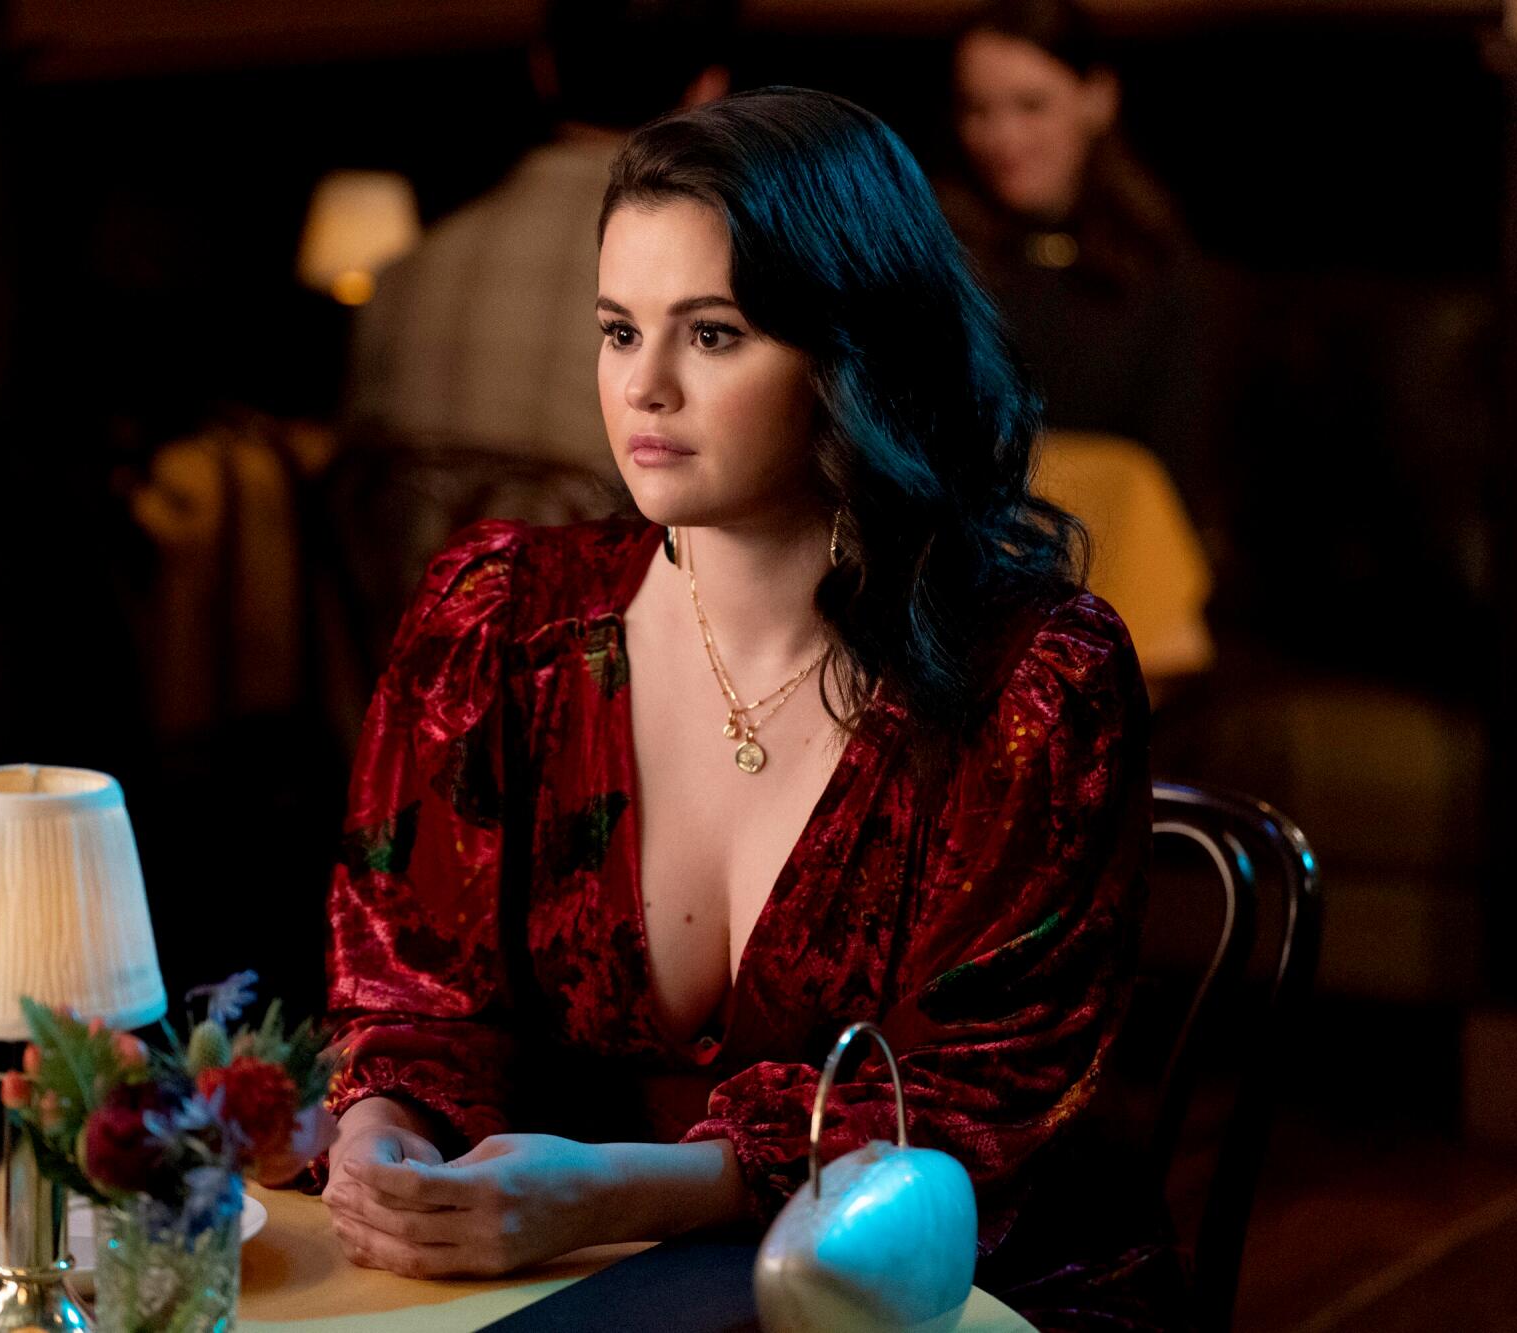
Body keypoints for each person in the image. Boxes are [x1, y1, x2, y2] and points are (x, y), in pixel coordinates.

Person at [319, 87, 1185, 1328]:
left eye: (712, 334)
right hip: (570, 1286)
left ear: (853, 351)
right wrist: (381, 1129)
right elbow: (408, 995)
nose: (646, 387)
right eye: (620, 331)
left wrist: (624, 1193)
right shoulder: (498, 624)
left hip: (951, 1294)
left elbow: (969, 1109)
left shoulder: (1034, 683)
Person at [341, 0, 732, 476]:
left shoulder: (401, 275)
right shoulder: (716, 268)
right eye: (621, 335)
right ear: (709, 91)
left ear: (543, 69)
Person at [938, 0, 1219, 535]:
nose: (1005, 138)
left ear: (1097, 98)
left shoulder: (1158, 265)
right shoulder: (934, 257)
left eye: (1031, 105)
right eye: (978, 110)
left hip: (1121, 563)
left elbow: (1175, 478)